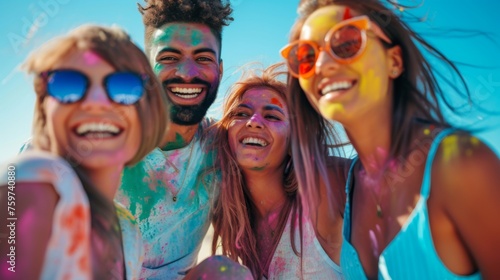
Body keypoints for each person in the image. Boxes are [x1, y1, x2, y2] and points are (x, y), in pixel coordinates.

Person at [281, 0, 500, 279]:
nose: (322, 65)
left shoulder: (461, 164)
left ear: (394, 61)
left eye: (347, 43)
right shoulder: (349, 186)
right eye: (305, 57)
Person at [0, 25, 168, 279]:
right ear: (45, 107)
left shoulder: (128, 230)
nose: (96, 102)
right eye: (68, 82)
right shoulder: (34, 182)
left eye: (125, 85)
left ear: (150, 112)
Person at [114, 0, 234, 278]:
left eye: (204, 58)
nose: (187, 73)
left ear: (220, 69)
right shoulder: (104, 132)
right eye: (169, 58)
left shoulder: (224, 147)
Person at [208, 63, 345, 279]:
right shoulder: (230, 217)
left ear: (294, 142)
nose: (253, 122)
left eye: (272, 116)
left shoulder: (325, 185)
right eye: (241, 113)